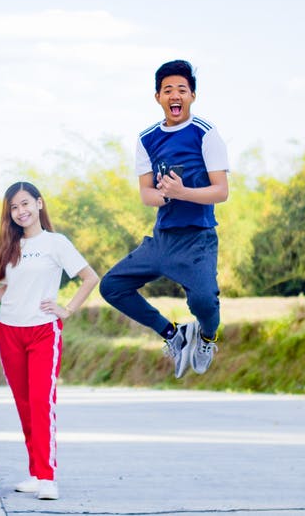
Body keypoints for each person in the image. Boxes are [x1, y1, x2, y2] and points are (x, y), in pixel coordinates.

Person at [99, 59, 229, 379]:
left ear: (192, 96)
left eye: (182, 90)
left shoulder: (206, 135)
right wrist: (168, 195)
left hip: (198, 238)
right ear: (157, 97)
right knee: (111, 286)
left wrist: (183, 192)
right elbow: (147, 194)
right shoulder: (146, 139)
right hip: (162, 240)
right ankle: (173, 334)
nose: (175, 95)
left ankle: (206, 338)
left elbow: (221, 191)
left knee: (204, 303)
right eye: (167, 90)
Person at [0, 182, 98, 501]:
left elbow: (90, 277)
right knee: (24, 406)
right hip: (9, 330)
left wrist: (67, 310)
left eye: (25, 204)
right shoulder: (10, 245)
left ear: (39, 203)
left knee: (41, 403)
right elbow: (5, 291)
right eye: (14, 207)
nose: (20, 212)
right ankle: (36, 472)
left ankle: (48, 477)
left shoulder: (56, 243)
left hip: (42, 332)